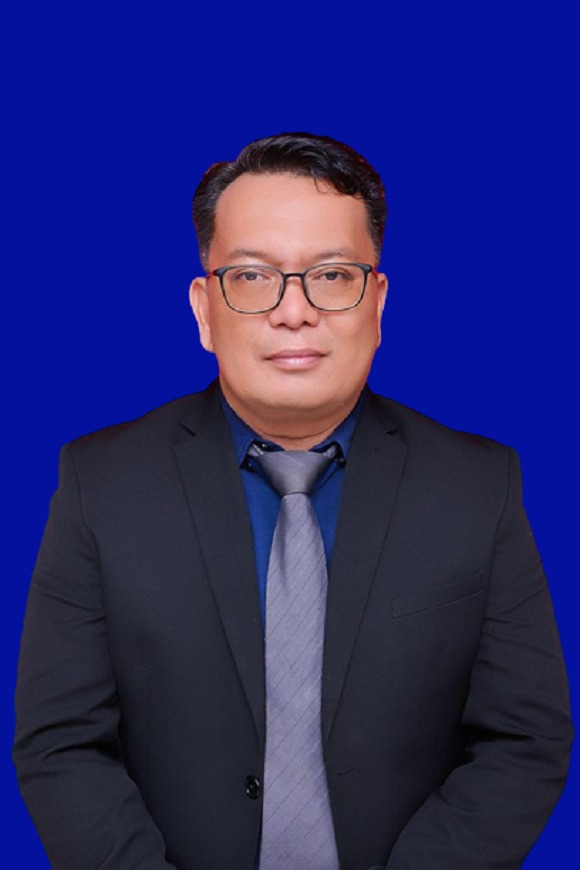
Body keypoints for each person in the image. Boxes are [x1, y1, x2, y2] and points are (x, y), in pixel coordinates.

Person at [14, 132, 572, 870]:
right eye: (252, 277)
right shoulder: (101, 482)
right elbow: (60, 744)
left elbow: (524, 739)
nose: (294, 311)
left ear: (378, 302)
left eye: (332, 275)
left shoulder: (478, 485)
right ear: (204, 309)